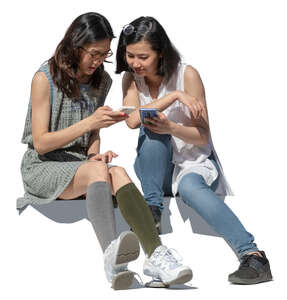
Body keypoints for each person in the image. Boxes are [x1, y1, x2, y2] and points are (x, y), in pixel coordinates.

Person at [17, 13, 193, 290]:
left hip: (80, 165)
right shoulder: (44, 78)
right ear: (76, 45)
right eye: (94, 54)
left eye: (105, 54)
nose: (99, 61)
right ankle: (112, 256)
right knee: (99, 170)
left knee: (118, 171)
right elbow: (40, 143)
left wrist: (93, 154)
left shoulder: (101, 80)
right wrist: (91, 123)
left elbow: (93, 134)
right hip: (43, 166)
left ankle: (156, 255)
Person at [116, 16, 273, 285]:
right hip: (156, 169)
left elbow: (203, 137)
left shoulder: (187, 74)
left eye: (143, 56)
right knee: (150, 126)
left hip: (193, 162)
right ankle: (153, 210)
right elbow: (131, 120)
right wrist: (175, 97)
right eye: (130, 55)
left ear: (160, 52)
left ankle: (253, 256)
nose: (135, 63)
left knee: (189, 186)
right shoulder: (131, 79)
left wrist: (172, 128)